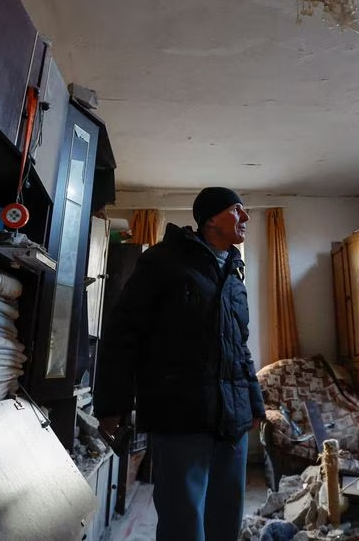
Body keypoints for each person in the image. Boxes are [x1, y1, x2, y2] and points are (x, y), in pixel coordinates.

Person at [94, 187, 265, 541]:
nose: (246, 218)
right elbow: (122, 333)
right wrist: (112, 405)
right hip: (180, 412)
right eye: (238, 210)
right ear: (211, 218)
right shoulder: (164, 261)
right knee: (182, 520)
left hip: (231, 416)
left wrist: (254, 404)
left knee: (226, 516)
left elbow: (240, 350)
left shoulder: (234, 275)